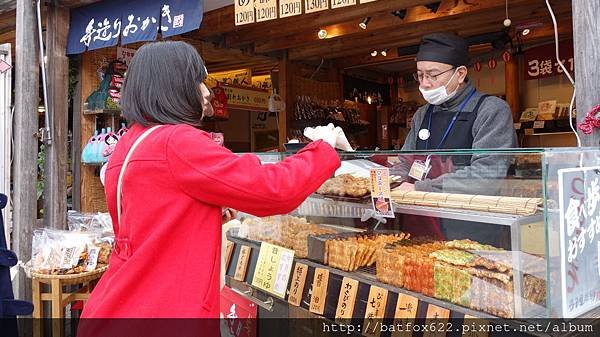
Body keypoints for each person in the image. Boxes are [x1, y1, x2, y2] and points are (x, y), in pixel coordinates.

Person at [79, 41, 349, 326]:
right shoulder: (178, 142)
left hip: (119, 305)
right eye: (198, 81)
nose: (207, 91)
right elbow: (275, 190)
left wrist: (202, 213)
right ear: (175, 85)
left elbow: (148, 222)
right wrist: (323, 148)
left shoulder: (130, 143)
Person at [392, 33, 517, 243]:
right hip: (422, 223)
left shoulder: (490, 110)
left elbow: (486, 174)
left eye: (433, 75)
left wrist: (421, 188)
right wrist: (390, 181)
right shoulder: (423, 114)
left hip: (472, 228)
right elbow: (406, 161)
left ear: (460, 74)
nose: (425, 84)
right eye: (420, 75)